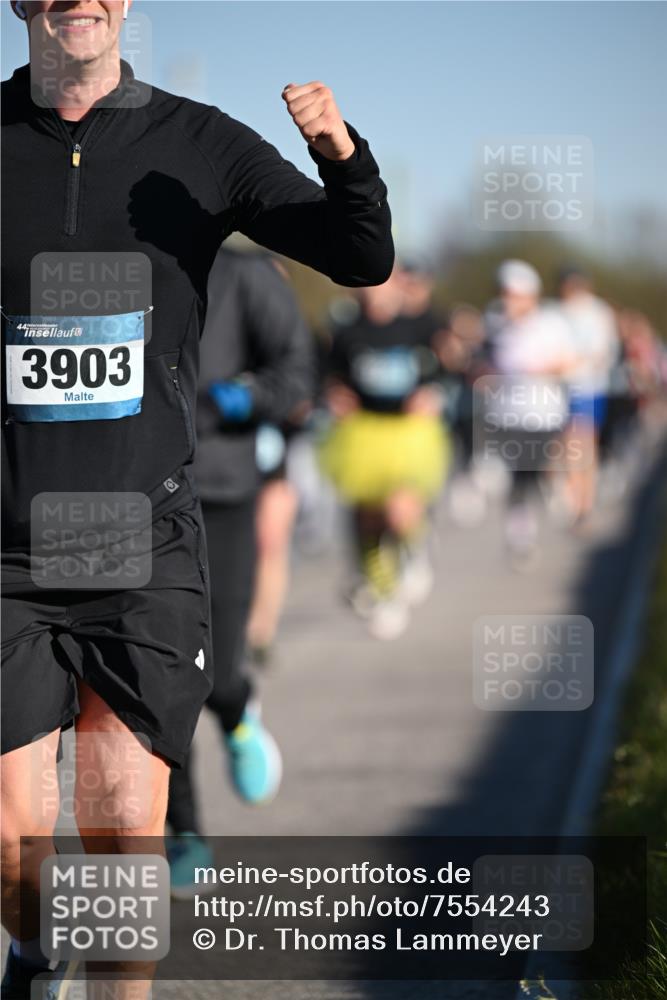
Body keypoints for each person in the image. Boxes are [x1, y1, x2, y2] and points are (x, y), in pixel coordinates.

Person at [1, 2, 393, 996]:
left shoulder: (200, 142)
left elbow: (358, 257)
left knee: (127, 836)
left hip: (145, 541)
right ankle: (39, 948)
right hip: (6, 550)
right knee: (14, 852)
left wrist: (341, 155)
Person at [166, 247, 314, 897]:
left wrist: (240, 398)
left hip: (222, 492)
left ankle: (235, 706)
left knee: (213, 673)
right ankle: (185, 833)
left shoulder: (244, 274)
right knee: (162, 681)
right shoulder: (110, 260)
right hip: (134, 498)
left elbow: (296, 373)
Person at [321, 266, 449, 640]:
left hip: (408, 433)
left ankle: (416, 549)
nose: (377, 293)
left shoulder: (417, 327)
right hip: (363, 433)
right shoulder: (347, 331)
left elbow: (440, 372)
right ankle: (383, 589)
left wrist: (432, 394)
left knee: (400, 509)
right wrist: (334, 395)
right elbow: (330, 375)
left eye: (384, 285)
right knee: (369, 518)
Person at [484, 260, 576, 568]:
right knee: (516, 476)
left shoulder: (552, 323)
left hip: (543, 413)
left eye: (514, 294)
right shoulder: (495, 323)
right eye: (505, 293)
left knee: (534, 470)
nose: (508, 300)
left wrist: (539, 369)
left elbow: (569, 363)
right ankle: (520, 537)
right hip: (507, 413)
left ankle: (551, 493)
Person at [557, 266, 619, 526]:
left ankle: (583, 501)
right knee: (570, 445)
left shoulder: (598, 312)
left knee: (582, 444)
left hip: (588, 387)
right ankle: (576, 497)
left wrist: (570, 363)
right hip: (563, 388)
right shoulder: (559, 311)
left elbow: (602, 352)